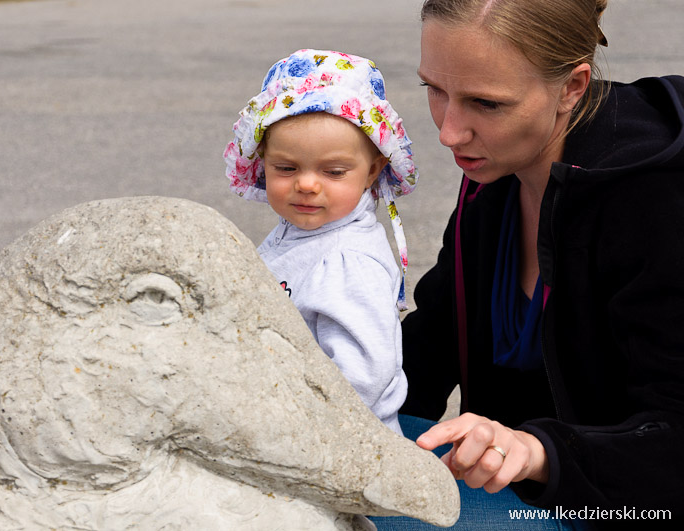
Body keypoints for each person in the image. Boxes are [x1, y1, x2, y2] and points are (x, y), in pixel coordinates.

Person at [373, 0, 684, 529]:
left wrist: (539, 451)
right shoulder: (496, 170)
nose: (449, 131)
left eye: (485, 104)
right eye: (435, 89)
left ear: (572, 87)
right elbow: (430, 345)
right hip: (514, 485)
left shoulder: (657, 200)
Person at [224, 49, 418, 435]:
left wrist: (283, 424)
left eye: (333, 171)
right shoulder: (304, 232)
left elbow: (365, 372)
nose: (307, 184)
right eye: (286, 168)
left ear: (373, 169)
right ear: (262, 160)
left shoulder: (347, 260)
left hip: (339, 443)